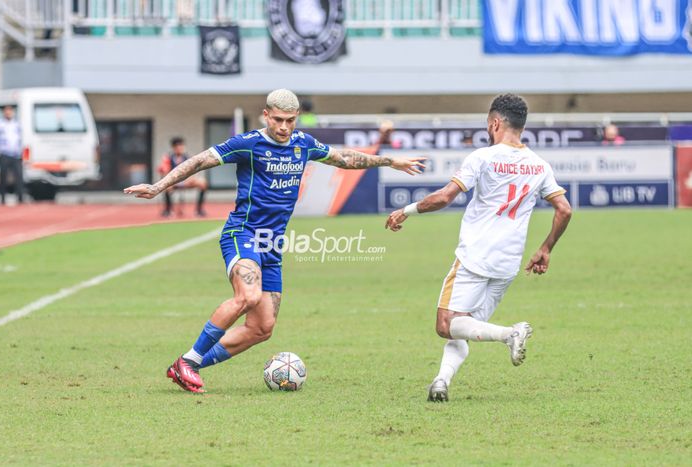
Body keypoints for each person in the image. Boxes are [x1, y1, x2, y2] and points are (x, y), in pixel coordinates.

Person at [124, 89, 425, 393]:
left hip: (272, 244)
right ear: (266, 115)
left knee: (261, 328)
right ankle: (188, 361)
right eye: (278, 120)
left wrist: (389, 161)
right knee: (249, 296)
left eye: (290, 121)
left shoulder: (303, 144)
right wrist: (159, 186)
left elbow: (344, 158)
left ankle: (187, 365)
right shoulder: (248, 144)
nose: (284, 127)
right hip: (243, 234)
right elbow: (201, 160)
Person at [385, 94, 572, 402]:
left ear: (494, 123)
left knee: (447, 325)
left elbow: (444, 198)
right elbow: (564, 209)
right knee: (466, 325)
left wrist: (405, 211)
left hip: (475, 256)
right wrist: (546, 248)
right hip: (508, 262)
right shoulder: (540, 165)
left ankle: (509, 334)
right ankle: (441, 382)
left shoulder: (483, 157)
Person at [158, 137, 208, 217]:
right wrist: (171, 182)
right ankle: (168, 210)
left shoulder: (188, 157)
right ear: (173, 148)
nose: (180, 148)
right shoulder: (168, 158)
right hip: (173, 182)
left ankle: (199, 210)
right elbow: (165, 172)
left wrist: (191, 179)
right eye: (177, 146)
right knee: (167, 187)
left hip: (186, 182)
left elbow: (194, 170)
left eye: (181, 146)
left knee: (202, 183)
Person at [0, 105, 24, 205]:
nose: (8, 113)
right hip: (4, 153)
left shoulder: (16, 124)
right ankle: (2, 198)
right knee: (3, 177)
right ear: (3, 112)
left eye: (10, 111)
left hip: (16, 154)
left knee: (19, 176)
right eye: (6, 111)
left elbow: (21, 139)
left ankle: (20, 198)